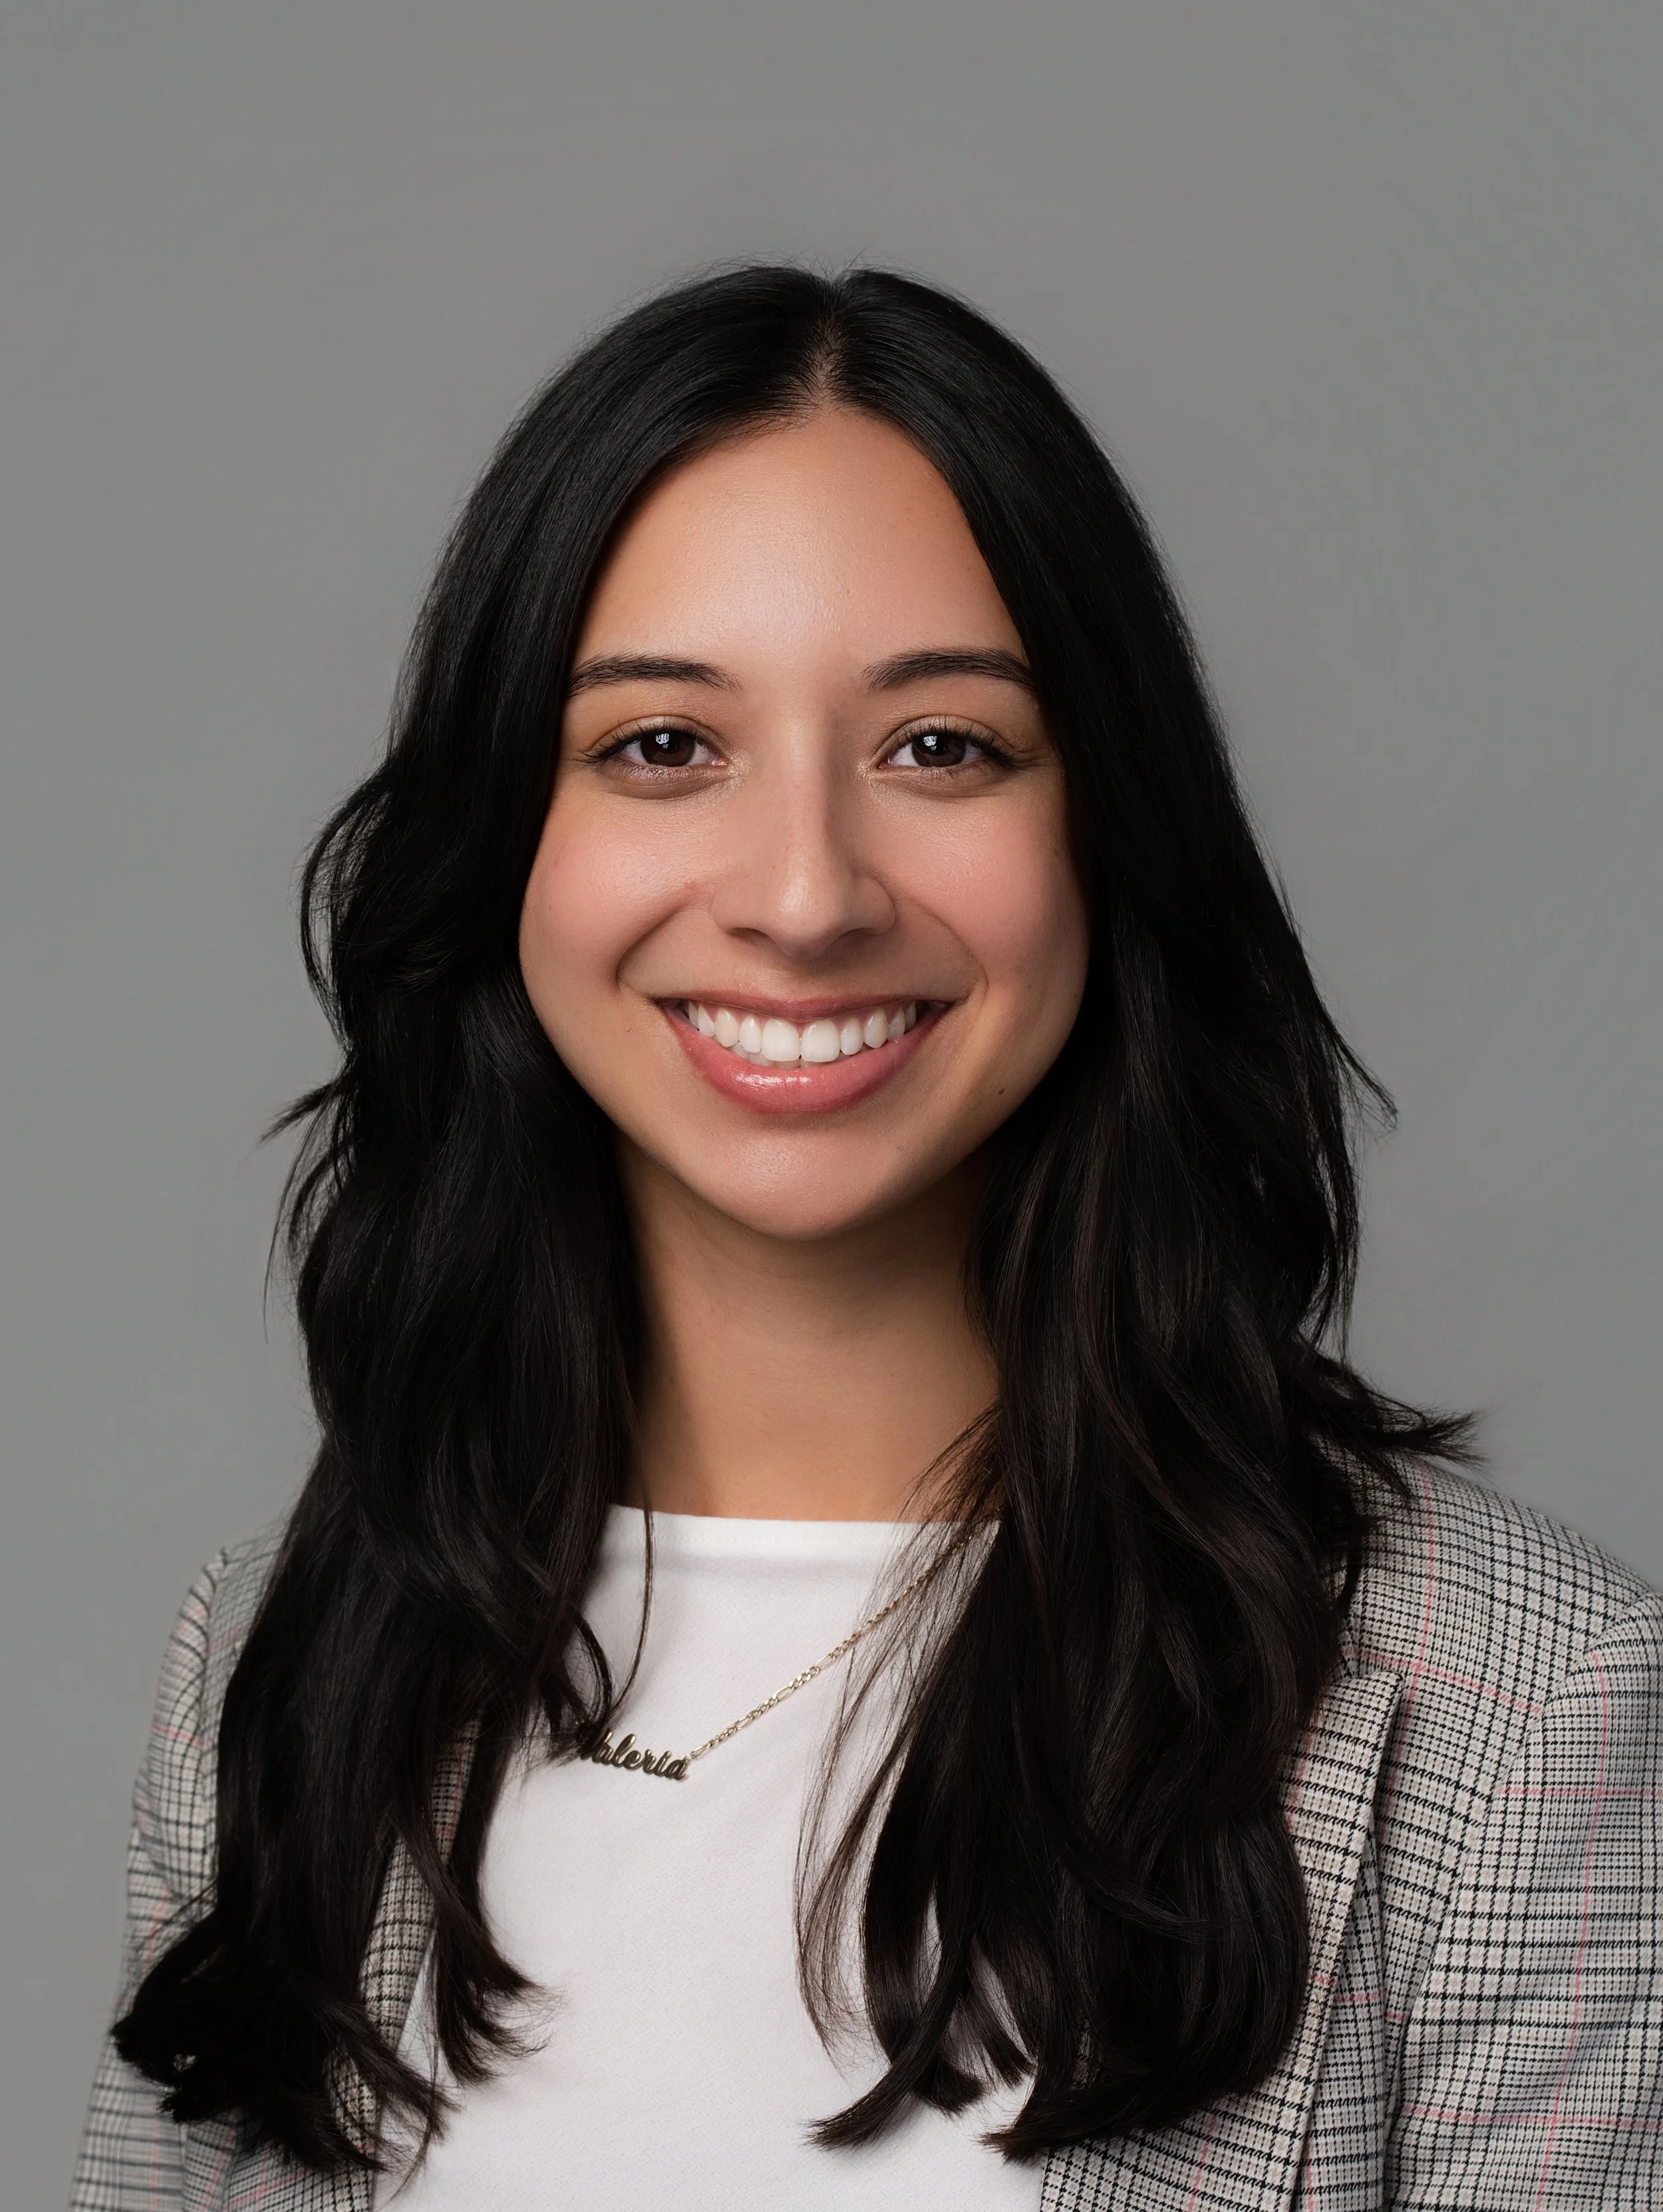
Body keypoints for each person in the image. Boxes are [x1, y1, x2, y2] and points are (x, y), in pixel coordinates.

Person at [71, 266, 1662, 2212]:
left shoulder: (1515, 1706)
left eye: (941, 749)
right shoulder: (280, 1654)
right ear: (504, 847)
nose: (806, 894)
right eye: (661, 745)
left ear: (1105, 835)